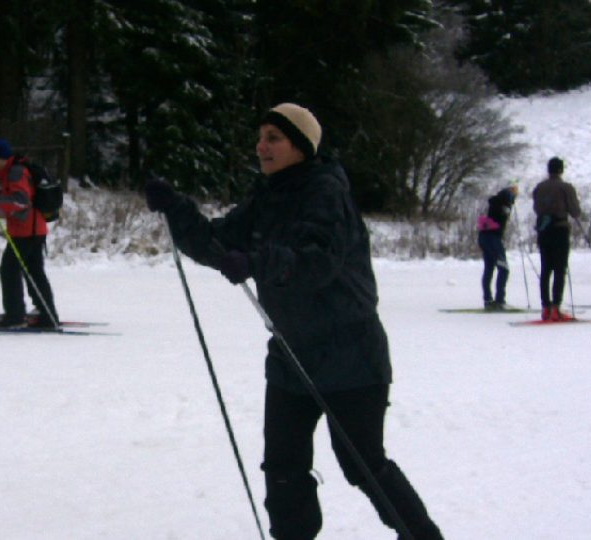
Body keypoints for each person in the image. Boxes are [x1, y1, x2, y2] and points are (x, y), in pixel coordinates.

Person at [145, 103, 443, 540]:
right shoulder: (267, 194)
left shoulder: (327, 191)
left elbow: (318, 262)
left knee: (364, 465)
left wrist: (257, 261)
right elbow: (217, 242)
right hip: (291, 354)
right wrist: (177, 209)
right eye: (261, 136)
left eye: (274, 138)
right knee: (283, 468)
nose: (261, 146)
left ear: (302, 146)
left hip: (351, 354)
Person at [0, 138, 59, 329]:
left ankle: (15, 315)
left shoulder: (15, 172)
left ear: (2, 158)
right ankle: (47, 314)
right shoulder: (13, 170)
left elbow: (20, 201)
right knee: (34, 272)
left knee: (9, 270)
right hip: (33, 228)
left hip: (27, 231)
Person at [532, 157, 581, 321]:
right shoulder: (566, 187)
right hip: (560, 229)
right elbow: (575, 211)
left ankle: (545, 307)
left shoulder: (539, 187)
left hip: (543, 230)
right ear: (561, 170)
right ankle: (555, 307)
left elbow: (536, 208)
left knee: (546, 269)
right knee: (560, 269)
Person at [477, 181, 519, 309]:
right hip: (493, 239)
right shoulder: (506, 199)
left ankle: (488, 300)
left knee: (489, 269)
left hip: (484, 237)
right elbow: (502, 215)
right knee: (504, 269)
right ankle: (500, 300)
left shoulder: (496, 200)